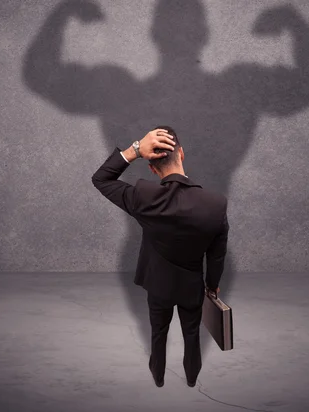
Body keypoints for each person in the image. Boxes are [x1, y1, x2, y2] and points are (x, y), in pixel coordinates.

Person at [91, 126, 228, 388]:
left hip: (158, 285)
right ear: (182, 154)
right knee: (192, 335)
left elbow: (101, 179)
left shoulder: (144, 197)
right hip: (191, 287)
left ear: (152, 168)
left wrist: (134, 150)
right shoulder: (215, 203)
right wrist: (211, 285)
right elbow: (217, 254)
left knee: (158, 334)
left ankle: (159, 377)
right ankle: (191, 379)